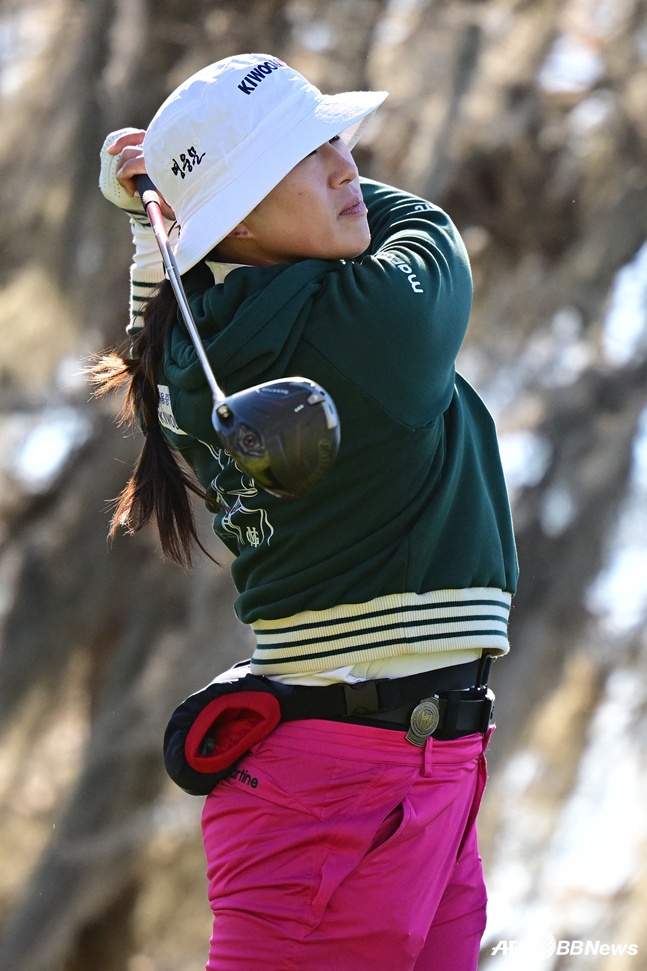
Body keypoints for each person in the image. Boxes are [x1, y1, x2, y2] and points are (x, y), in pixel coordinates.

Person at [95, 52, 518, 971]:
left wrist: (164, 218)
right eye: (305, 154)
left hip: (414, 768)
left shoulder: (192, 347)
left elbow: (162, 310)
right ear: (237, 212)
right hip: (345, 787)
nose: (347, 168)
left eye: (337, 141)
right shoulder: (375, 320)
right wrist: (169, 208)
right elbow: (428, 227)